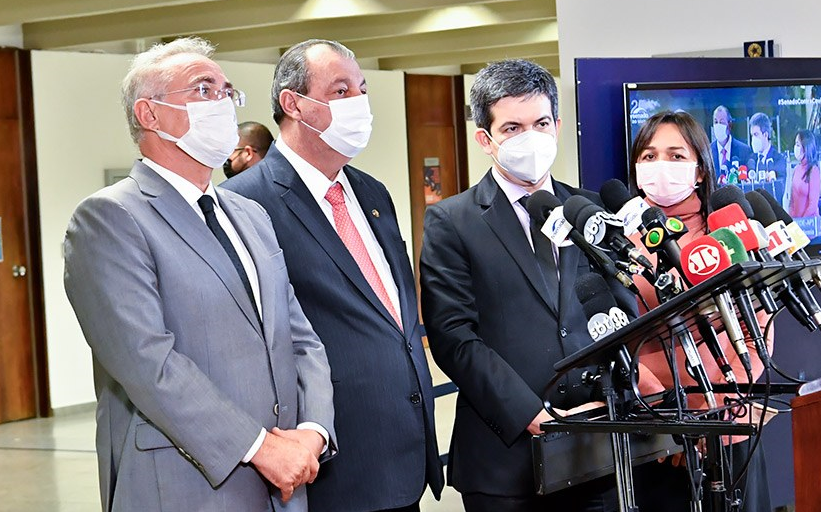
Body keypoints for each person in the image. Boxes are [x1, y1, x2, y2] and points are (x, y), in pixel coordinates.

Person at [63, 37, 335, 512]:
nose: (224, 104)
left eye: (228, 91)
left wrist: (312, 432)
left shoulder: (248, 214)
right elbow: (148, 361)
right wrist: (261, 447)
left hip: (287, 484)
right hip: (187, 486)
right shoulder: (110, 219)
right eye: (204, 89)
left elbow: (299, 336)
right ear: (149, 115)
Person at [222, 39, 443, 512]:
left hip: (405, 455)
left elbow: (393, 314)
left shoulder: (371, 191)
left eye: (362, 88)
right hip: (326, 462)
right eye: (341, 90)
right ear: (293, 104)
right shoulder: (245, 203)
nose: (359, 103)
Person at [419, 58, 638, 512]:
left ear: (557, 126)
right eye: (512, 127)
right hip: (506, 460)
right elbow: (453, 337)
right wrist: (532, 415)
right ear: (486, 138)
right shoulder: (451, 222)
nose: (530, 138)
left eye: (540, 122)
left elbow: (621, 307)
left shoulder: (589, 209)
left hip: (598, 448)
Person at [627, 111, 773, 512]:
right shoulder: (618, 242)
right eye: (649, 155)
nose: (661, 166)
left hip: (728, 427)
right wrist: (667, 417)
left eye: (676, 156)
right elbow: (609, 335)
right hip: (654, 435)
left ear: (700, 170)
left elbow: (756, 323)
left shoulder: (726, 232)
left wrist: (711, 415)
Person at [710, 105, 751, 180]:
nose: (718, 125)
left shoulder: (744, 150)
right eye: (716, 122)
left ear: (729, 125)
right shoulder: (708, 152)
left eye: (721, 122)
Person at [789, 129, 821, 218]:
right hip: (796, 223)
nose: (795, 147)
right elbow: (792, 201)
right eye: (795, 144)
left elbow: (813, 205)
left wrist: (802, 221)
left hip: (810, 224)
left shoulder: (814, 171)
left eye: (798, 145)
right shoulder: (796, 169)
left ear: (806, 147)